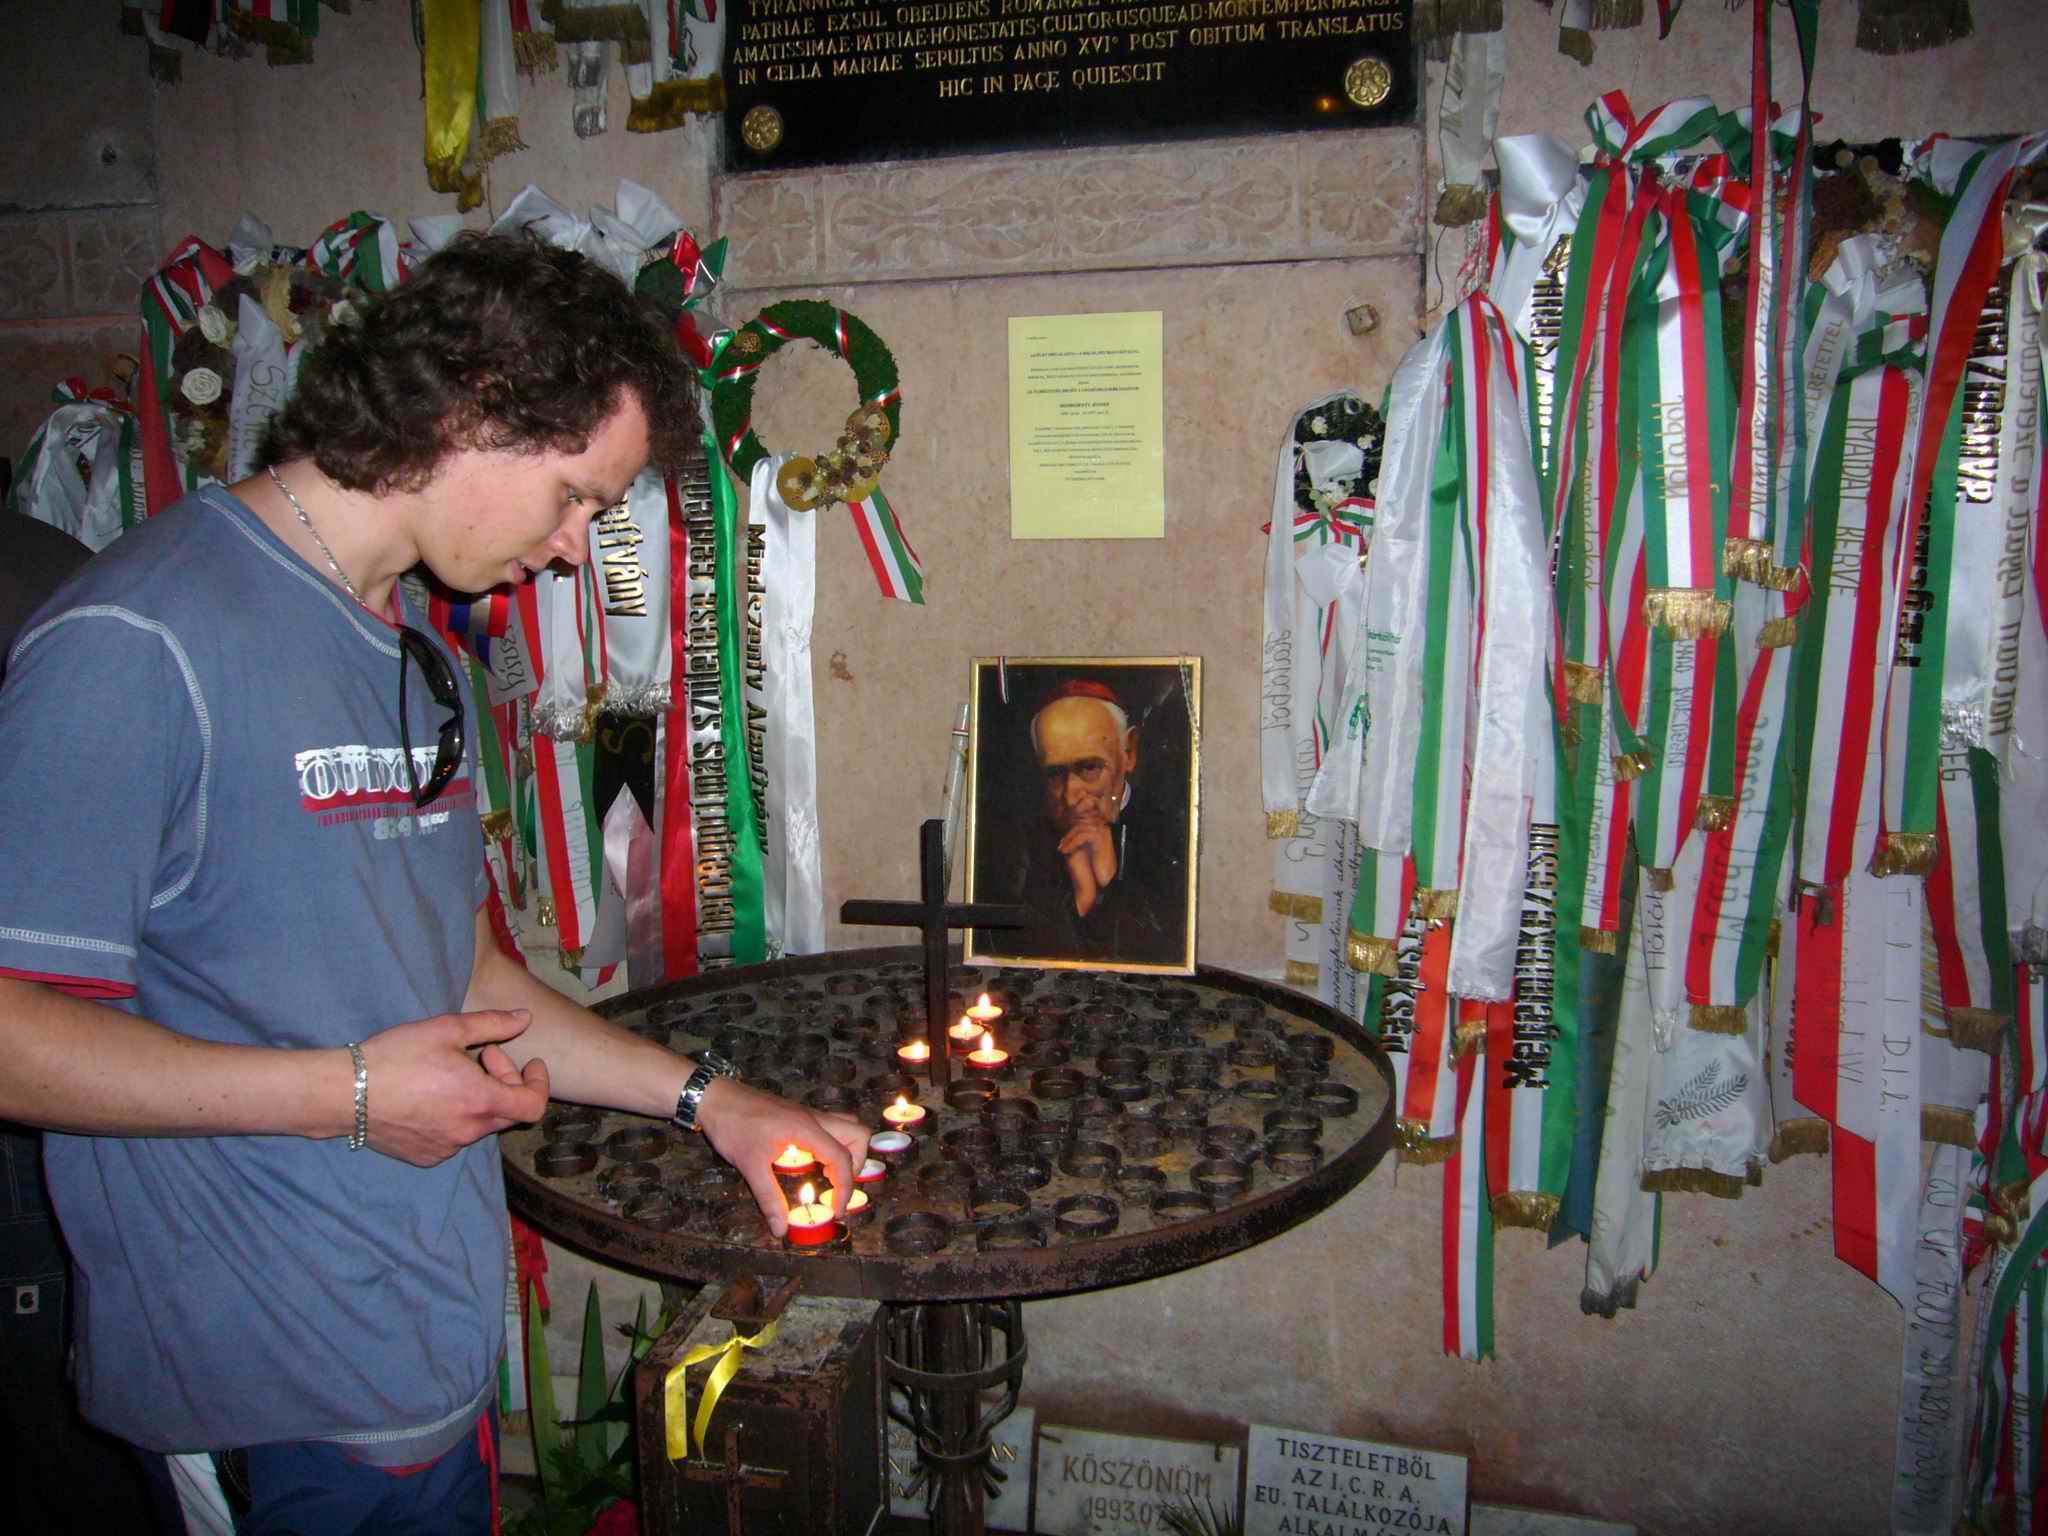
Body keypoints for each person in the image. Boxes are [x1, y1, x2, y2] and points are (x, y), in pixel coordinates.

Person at [0, 233, 867, 1535]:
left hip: (419, 1355)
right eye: (575, 496)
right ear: (472, 408)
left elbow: (467, 980)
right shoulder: (138, 640)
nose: (575, 550)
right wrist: (351, 1096)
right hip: (269, 1397)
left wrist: (719, 1105)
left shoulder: (416, 653)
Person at [993, 678, 1189, 966]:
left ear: (1129, 752)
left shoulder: (1170, 834)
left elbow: (1166, 958)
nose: (1071, 796)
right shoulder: (1021, 842)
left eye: (1089, 767)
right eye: (1055, 774)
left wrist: (1109, 881)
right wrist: (1084, 896)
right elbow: (1017, 954)